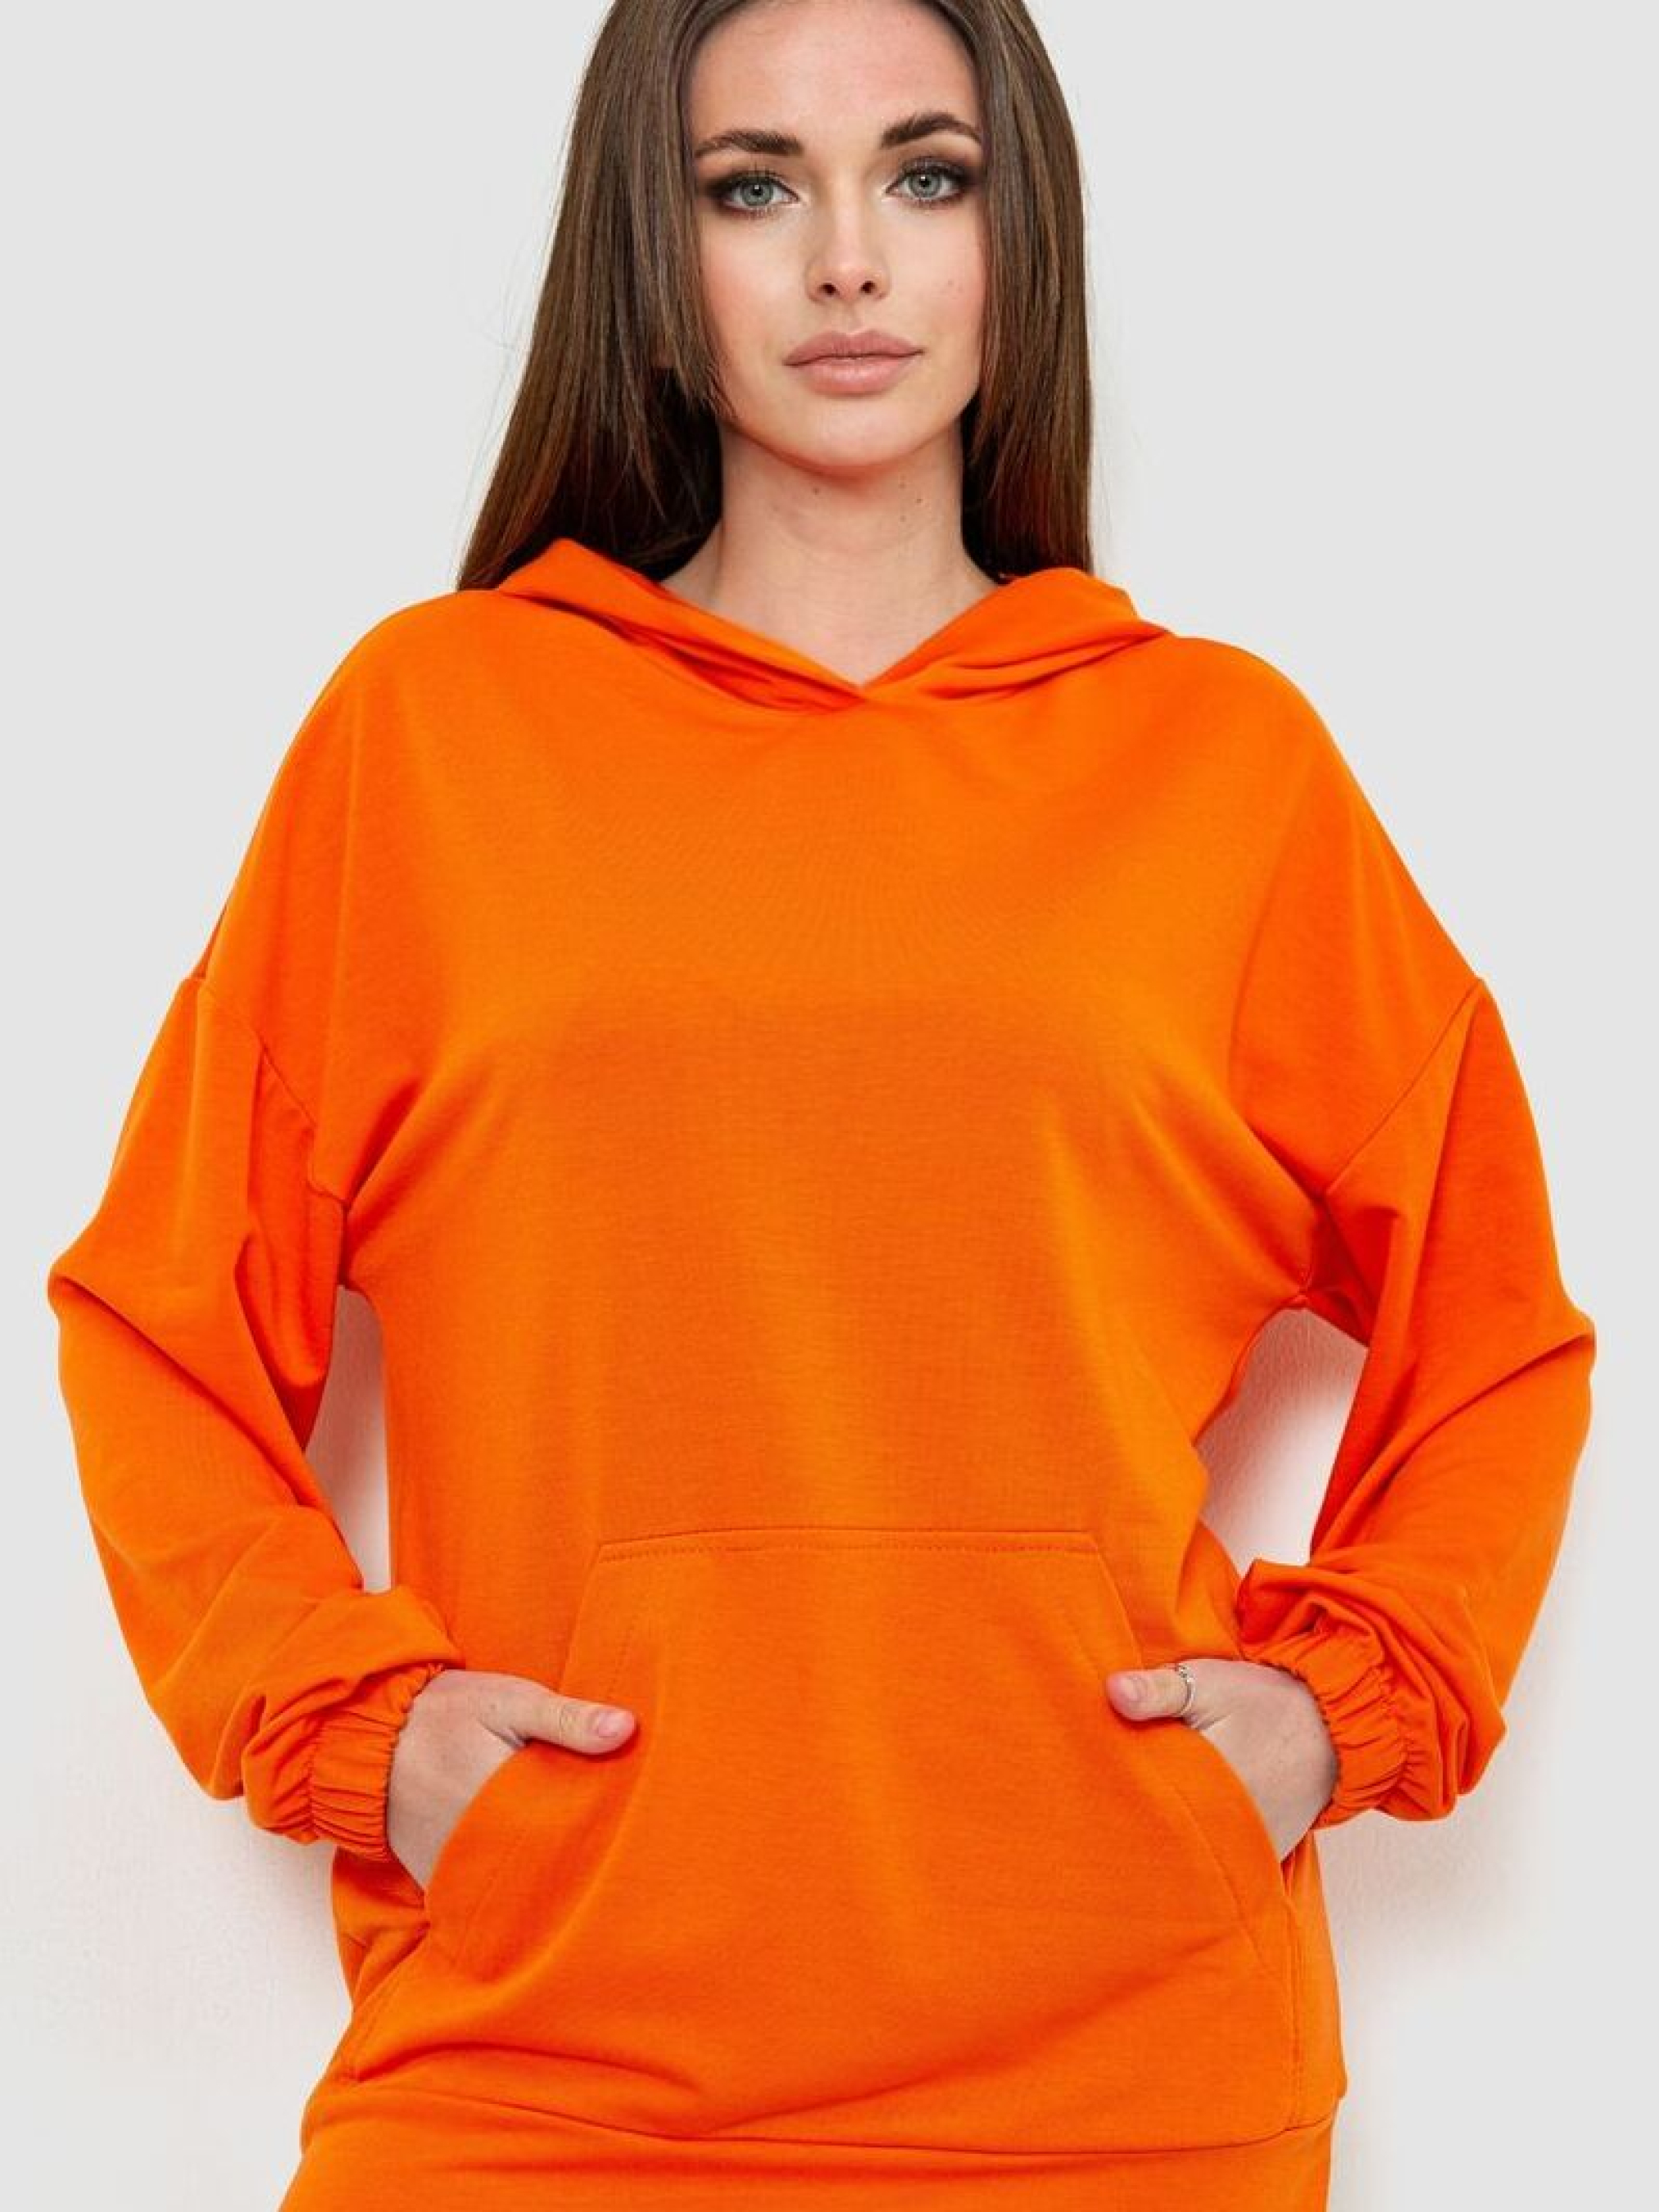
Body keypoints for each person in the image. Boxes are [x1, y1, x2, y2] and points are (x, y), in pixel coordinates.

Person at [44, 1, 1596, 2206]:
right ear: (650, 254)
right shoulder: (434, 738)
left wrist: (1335, 1707)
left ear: (1015, 236)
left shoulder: (1220, 768)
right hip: (537, 2064)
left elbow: (1496, 1328)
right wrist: (358, 1733)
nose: (847, 255)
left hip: (1122, 2072)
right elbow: (157, 1325)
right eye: (752, 184)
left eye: (925, 175)